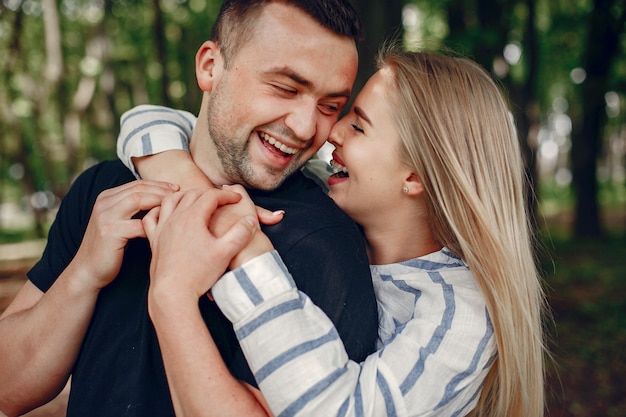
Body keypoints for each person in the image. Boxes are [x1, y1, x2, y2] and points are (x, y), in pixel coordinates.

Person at [121, 45, 548, 417]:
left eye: (358, 126)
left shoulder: (460, 315)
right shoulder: (325, 192)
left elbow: (335, 410)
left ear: (415, 176)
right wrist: (194, 191)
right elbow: (149, 120)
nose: (332, 133)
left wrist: (244, 243)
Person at [0, 1, 380, 416]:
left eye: (330, 106)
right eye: (285, 89)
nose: (307, 127)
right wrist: (83, 275)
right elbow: (8, 388)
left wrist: (173, 297)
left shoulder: (325, 243)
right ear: (210, 67)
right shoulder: (105, 192)